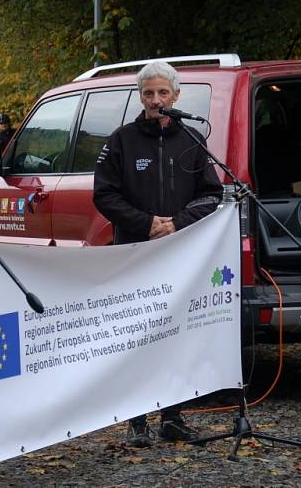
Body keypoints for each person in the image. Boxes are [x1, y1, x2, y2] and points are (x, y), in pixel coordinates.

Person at [92, 61, 223, 448]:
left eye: (163, 93)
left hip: (181, 255)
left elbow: (212, 195)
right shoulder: (121, 140)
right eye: (148, 93)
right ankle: (137, 421)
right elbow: (104, 195)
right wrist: (145, 222)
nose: (155, 100)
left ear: (176, 96)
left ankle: (173, 416)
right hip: (135, 253)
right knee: (139, 336)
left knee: (178, 334)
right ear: (140, 97)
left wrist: (178, 222)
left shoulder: (193, 139)